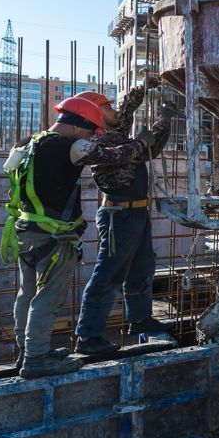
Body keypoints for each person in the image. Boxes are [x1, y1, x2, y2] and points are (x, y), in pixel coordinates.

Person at [0, 97, 154, 378]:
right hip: (53, 237)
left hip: (25, 231)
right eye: (89, 131)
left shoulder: (26, 143)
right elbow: (118, 156)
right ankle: (36, 359)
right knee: (47, 298)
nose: (91, 137)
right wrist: (143, 141)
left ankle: (27, 351)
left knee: (27, 295)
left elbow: (12, 172)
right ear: (76, 125)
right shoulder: (70, 145)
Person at [72, 76, 175, 356]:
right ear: (94, 111)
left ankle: (139, 317)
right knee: (110, 272)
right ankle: (88, 335)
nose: (114, 108)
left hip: (137, 211)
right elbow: (129, 153)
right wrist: (144, 138)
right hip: (119, 214)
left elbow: (130, 113)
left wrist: (145, 89)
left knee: (143, 267)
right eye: (107, 105)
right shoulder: (95, 140)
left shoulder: (116, 128)